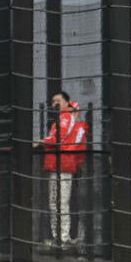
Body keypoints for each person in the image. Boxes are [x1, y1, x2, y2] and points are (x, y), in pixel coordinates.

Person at [34, 90, 88, 247]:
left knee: (59, 202)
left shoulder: (65, 117)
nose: (54, 104)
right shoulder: (68, 121)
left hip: (62, 165)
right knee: (57, 202)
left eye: (57, 101)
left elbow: (58, 139)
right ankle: (60, 236)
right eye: (53, 101)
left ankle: (62, 237)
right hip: (62, 165)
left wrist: (41, 142)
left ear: (66, 102)